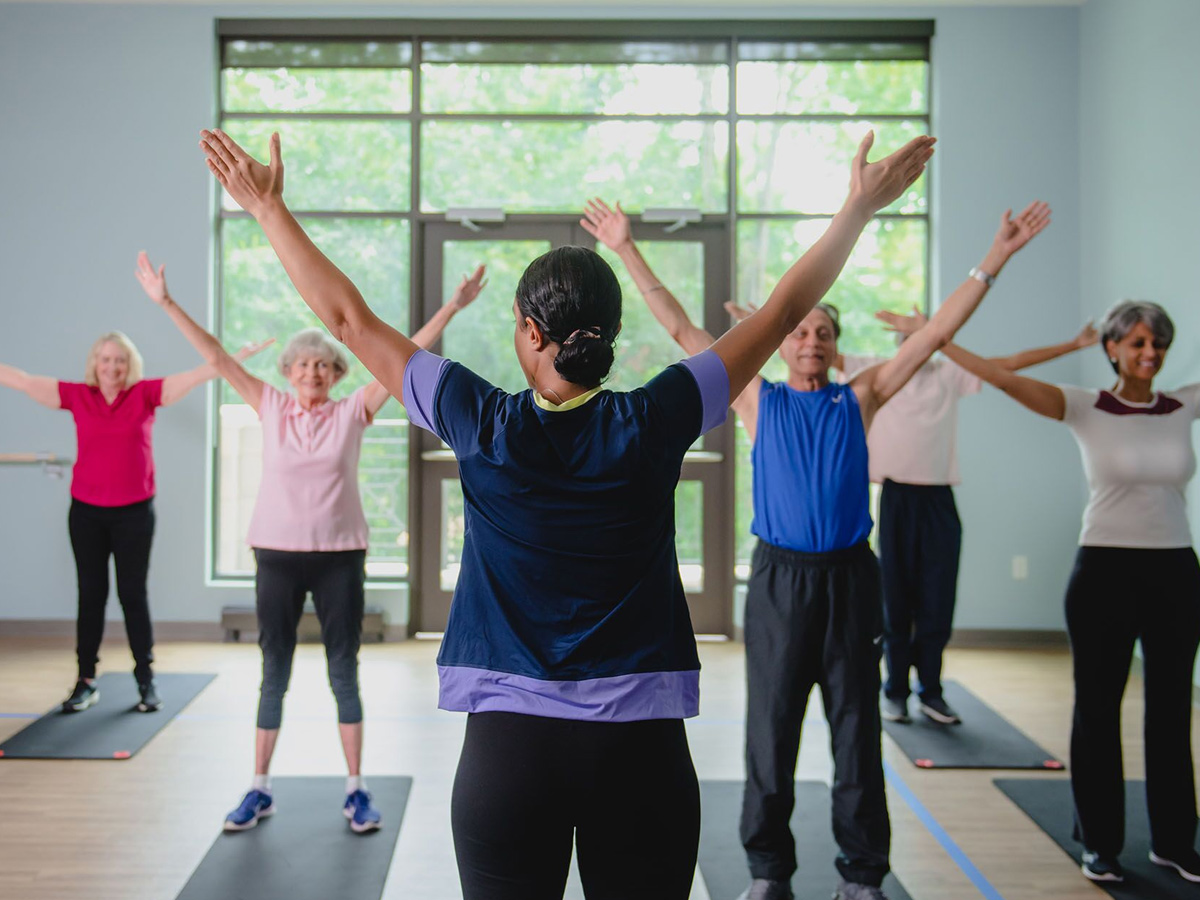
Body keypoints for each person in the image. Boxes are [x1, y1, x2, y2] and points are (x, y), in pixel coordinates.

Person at [198, 124, 933, 898]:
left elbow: (348, 320)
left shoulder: (477, 418)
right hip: (644, 755)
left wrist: (268, 209)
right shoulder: (659, 416)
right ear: (611, 335)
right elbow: (782, 312)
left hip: (509, 759)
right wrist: (857, 208)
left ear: (528, 330)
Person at [582, 195, 1050, 900]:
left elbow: (934, 334)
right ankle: (769, 871)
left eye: (823, 332)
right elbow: (678, 325)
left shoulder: (861, 397)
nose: (810, 340)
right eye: (799, 330)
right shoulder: (755, 398)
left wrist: (996, 257)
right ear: (780, 342)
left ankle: (862, 874)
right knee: (770, 735)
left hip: (851, 581)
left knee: (857, 734)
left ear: (836, 346)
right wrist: (624, 247)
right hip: (780, 582)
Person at [136, 250, 486, 834]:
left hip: (339, 558)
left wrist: (452, 306)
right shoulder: (269, 405)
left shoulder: (353, 411)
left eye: (323, 365)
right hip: (276, 557)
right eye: (302, 364)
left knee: (342, 669)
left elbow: (406, 358)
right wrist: (166, 302)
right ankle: (258, 787)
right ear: (288, 371)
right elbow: (217, 357)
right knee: (273, 670)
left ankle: (356, 789)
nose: (312, 373)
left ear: (336, 373)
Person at [725, 302, 1098, 726]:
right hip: (895, 497)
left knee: (937, 600)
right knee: (894, 599)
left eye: (920, 332)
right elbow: (805, 350)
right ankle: (895, 690)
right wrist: (765, 325)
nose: (914, 340)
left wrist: (1073, 345)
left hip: (938, 499)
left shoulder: (948, 373)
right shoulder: (871, 371)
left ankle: (931, 690)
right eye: (909, 334)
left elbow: (1009, 364)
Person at [935, 301, 1200, 886]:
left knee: (1171, 710)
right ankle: (1100, 843)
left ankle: (1175, 841)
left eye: (1158, 343)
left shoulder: (1184, 404)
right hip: (1104, 572)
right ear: (1112, 348)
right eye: (1138, 343)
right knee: (1098, 711)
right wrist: (938, 339)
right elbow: (1001, 377)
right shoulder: (1086, 406)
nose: (1150, 353)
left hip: (1176, 572)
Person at [0, 323, 267, 714]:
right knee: (91, 595)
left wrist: (236, 358)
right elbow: (22, 381)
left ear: (130, 364)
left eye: (120, 360)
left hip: (134, 514)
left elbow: (196, 375)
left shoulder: (145, 394)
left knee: (132, 595)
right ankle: (85, 680)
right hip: (87, 514)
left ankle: (145, 678)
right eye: (106, 359)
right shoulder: (78, 396)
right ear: (95, 363)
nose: (112, 367)